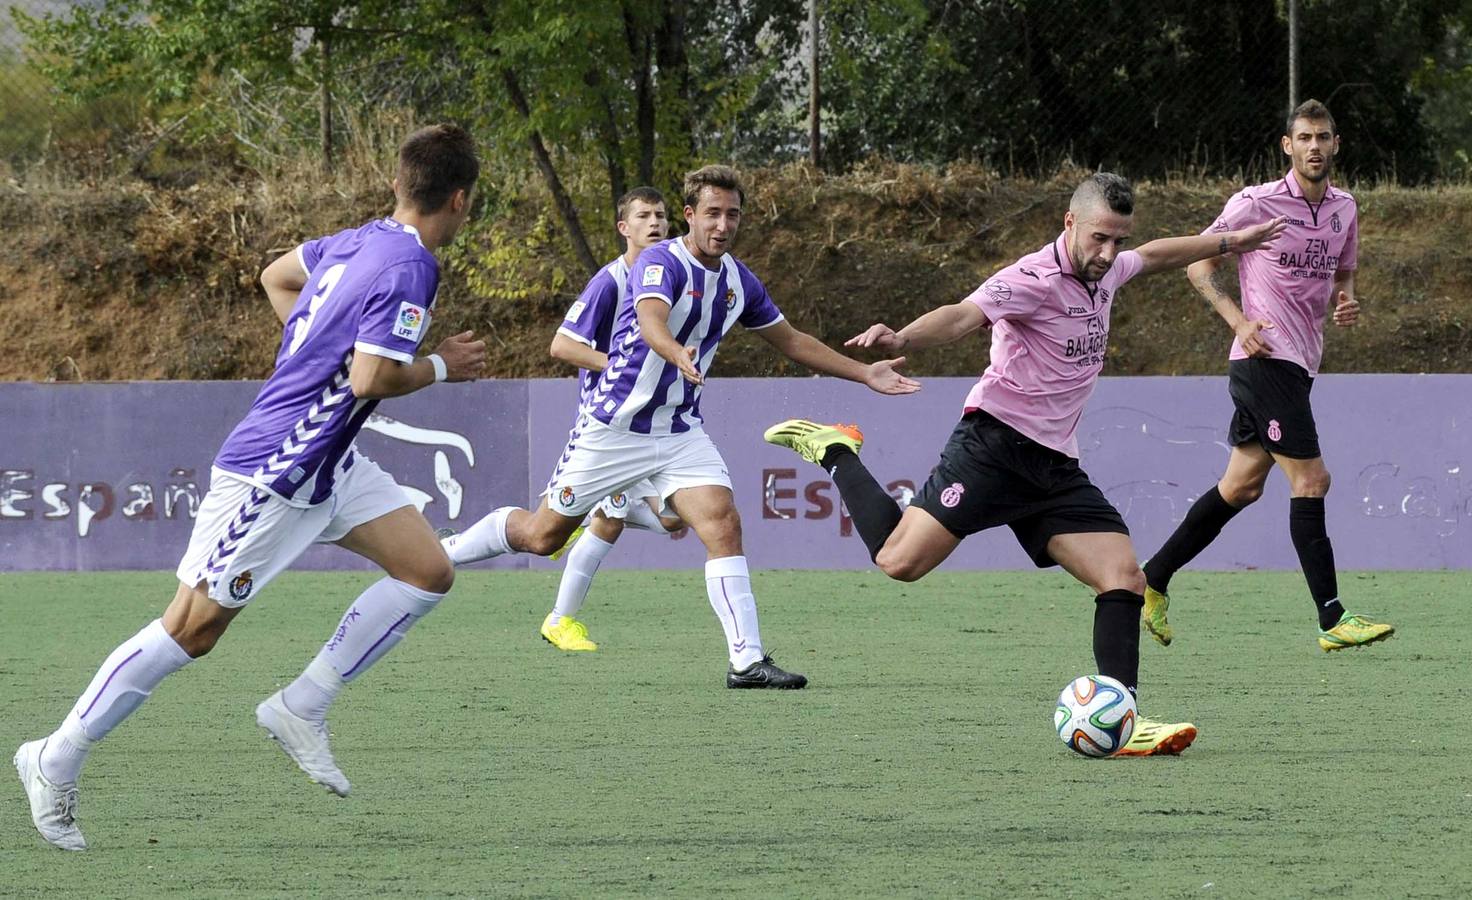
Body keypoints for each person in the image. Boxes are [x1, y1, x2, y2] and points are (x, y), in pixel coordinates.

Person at [14, 124, 486, 851]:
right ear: (460, 199)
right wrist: (443, 366)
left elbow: (276, 275)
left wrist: (311, 352)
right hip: (276, 470)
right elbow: (372, 377)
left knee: (427, 571)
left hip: (329, 462)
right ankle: (56, 754)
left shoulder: (358, 238)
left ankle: (302, 704)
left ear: (398, 183)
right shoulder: (413, 267)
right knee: (190, 629)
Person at [765, 172, 1284, 755]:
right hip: (992, 448)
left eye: (1118, 239)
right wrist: (900, 338)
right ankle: (836, 449)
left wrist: (1229, 242)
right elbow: (962, 315)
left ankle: (1124, 718)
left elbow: (1156, 255)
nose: (1108, 252)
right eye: (1098, 238)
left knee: (1123, 578)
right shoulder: (1031, 278)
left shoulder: (1112, 266)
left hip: (1054, 467)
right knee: (898, 562)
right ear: (1069, 223)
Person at [442, 164, 920, 688]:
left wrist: (862, 373)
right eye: (712, 213)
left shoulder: (739, 280)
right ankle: (442, 553)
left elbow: (790, 340)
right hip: (613, 429)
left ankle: (747, 661)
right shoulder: (659, 261)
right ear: (689, 216)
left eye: (732, 214)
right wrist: (675, 351)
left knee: (721, 521)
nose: (722, 225)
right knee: (540, 535)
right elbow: (650, 320)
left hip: (678, 431)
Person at [1138, 100, 1394, 653]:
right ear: (1288, 145)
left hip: (1300, 364)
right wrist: (1238, 319)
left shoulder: (1345, 209)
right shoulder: (1254, 203)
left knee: (1241, 487)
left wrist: (1346, 300)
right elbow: (1196, 264)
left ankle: (1151, 578)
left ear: (1336, 144)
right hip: (1263, 361)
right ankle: (1332, 617)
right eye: (1304, 138)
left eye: (1324, 137)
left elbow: (1344, 269)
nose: (1315, 147)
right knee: (1312, 481)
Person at [539, 186, 686, 651]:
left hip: (656, 422)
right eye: (643, 216)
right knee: (608, 522)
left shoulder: (674, 274)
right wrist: (618, 364)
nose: (655, 223)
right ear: (624, 228)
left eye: (660, 215)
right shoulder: (611, 282)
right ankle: (559, 620)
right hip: (612, 423)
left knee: (671, 521)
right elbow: (561, 347)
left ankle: (579, 514)